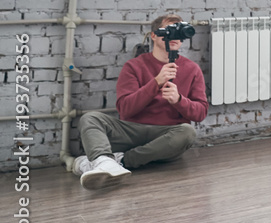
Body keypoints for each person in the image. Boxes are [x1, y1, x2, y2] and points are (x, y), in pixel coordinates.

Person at [73, 14, 208, 189]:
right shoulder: (134, 66)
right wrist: (156, 83)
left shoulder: (192, 69)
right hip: (131, 131)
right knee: (90, 118)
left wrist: (179, 100)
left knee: (188, 132)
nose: (175, 37)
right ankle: (102, 161)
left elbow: (200, 113)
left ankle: (117, 161)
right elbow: (125, 109)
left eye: (180, 32)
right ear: (154, 35)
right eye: (169, 31)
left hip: (165, 138)